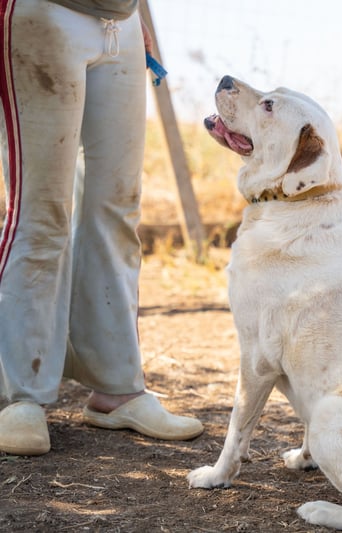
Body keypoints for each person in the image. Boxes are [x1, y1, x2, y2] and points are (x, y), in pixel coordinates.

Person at [0, 0, 203, 456]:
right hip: (42, 13)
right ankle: (19, 395)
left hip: (121, 22)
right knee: (40, 209)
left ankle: (117, 387)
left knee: (117, 205)